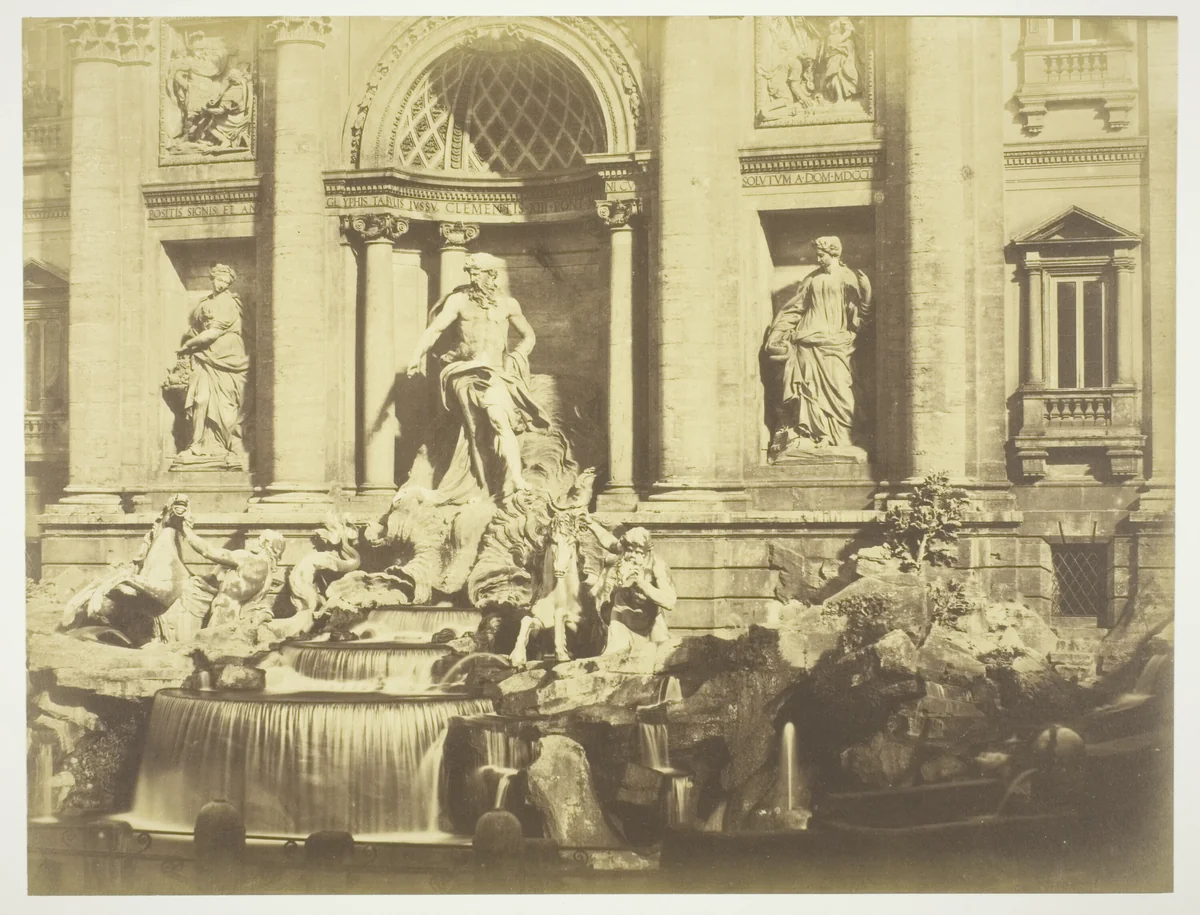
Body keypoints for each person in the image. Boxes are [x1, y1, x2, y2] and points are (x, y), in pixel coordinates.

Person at [405, 253, 549, 497]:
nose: (472, 277)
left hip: (495, 373)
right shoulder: (458, 301)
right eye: (470, 273)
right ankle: (482, 487)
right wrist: (416, 355)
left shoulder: (509, 305)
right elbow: (435, 329)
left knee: (499, 419)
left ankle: (515, 478)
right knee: (475, 432)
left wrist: (516, 356)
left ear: (491, 275)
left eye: (477, 272)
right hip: (463, 371)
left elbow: (529, 335)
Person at [763, 236, 871, 455]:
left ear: (834, 253)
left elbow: (860, 316)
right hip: (807, 341)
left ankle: (841, 438)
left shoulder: (848, 278)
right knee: (809, 390)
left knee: (841, 387)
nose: (818, 259)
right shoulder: (811, 279)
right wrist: (779, 332)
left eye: (821, 255)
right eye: (817, 255)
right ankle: (813, 435)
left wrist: (867, 293)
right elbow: (795, 309)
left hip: (836, 341)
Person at [157, 524, 285, 643]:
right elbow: (239, 593)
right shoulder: (268, 576)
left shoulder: (248, 558)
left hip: (223, 615)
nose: (256, 541)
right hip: (239, 620)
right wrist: (209, 589)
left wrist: (186, 530)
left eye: (259, 539)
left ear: (265, 543)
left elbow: (208, 551)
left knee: (205, 654)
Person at [176, 264, 249, 464]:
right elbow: (198, 328)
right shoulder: (204, 302)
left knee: (225, 405)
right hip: (205, 356)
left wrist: (189, 345)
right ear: (213, 279)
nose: (222, 285)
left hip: (227, 357)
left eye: (226, 282)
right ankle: (197, 445)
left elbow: (214, 332)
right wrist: (192, 338)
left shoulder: (229, 303)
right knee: (200, 399)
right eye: (220, 280)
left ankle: (225, 446)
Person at [585, 521, 677, 654]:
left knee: (661, 656)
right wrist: (590, 523)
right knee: (613, 657)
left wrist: (642, 583)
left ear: (646, 553)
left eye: (638, 552)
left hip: (650, 621)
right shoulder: (624, 556)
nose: (633, 555)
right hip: (622, 617)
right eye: (629, 551)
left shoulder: (657, 566)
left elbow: (670, 601)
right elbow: (609, 542)